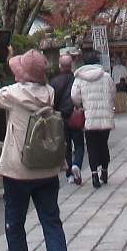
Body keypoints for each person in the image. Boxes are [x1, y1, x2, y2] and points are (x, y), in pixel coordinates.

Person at [0, 50, 76, 251]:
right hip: (47, 169)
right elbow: (30, 76)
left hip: (18, 172)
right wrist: (14, 56)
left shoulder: (13, 94)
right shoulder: (49, 93)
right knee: (51, 221)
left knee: (15, 223)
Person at [72, 55, 116, 187]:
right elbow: (113, 92)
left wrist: (80, 105)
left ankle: (94, 176)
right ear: (97, 62)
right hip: (105, 116)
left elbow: (74, 96)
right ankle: (104, 171)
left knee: (91, 147)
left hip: (89, 117)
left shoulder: (79, 79)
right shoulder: (106, 77)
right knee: (103, 144)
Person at [51, 51, 85, 185]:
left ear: (60, 66)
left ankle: (69, 173)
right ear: (71, 66)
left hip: (60, 118)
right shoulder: (78, 80)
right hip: (75, 116)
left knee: (66, 146)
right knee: (79, 145)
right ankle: (77, 164)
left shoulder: (54, 82)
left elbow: (52, 102)